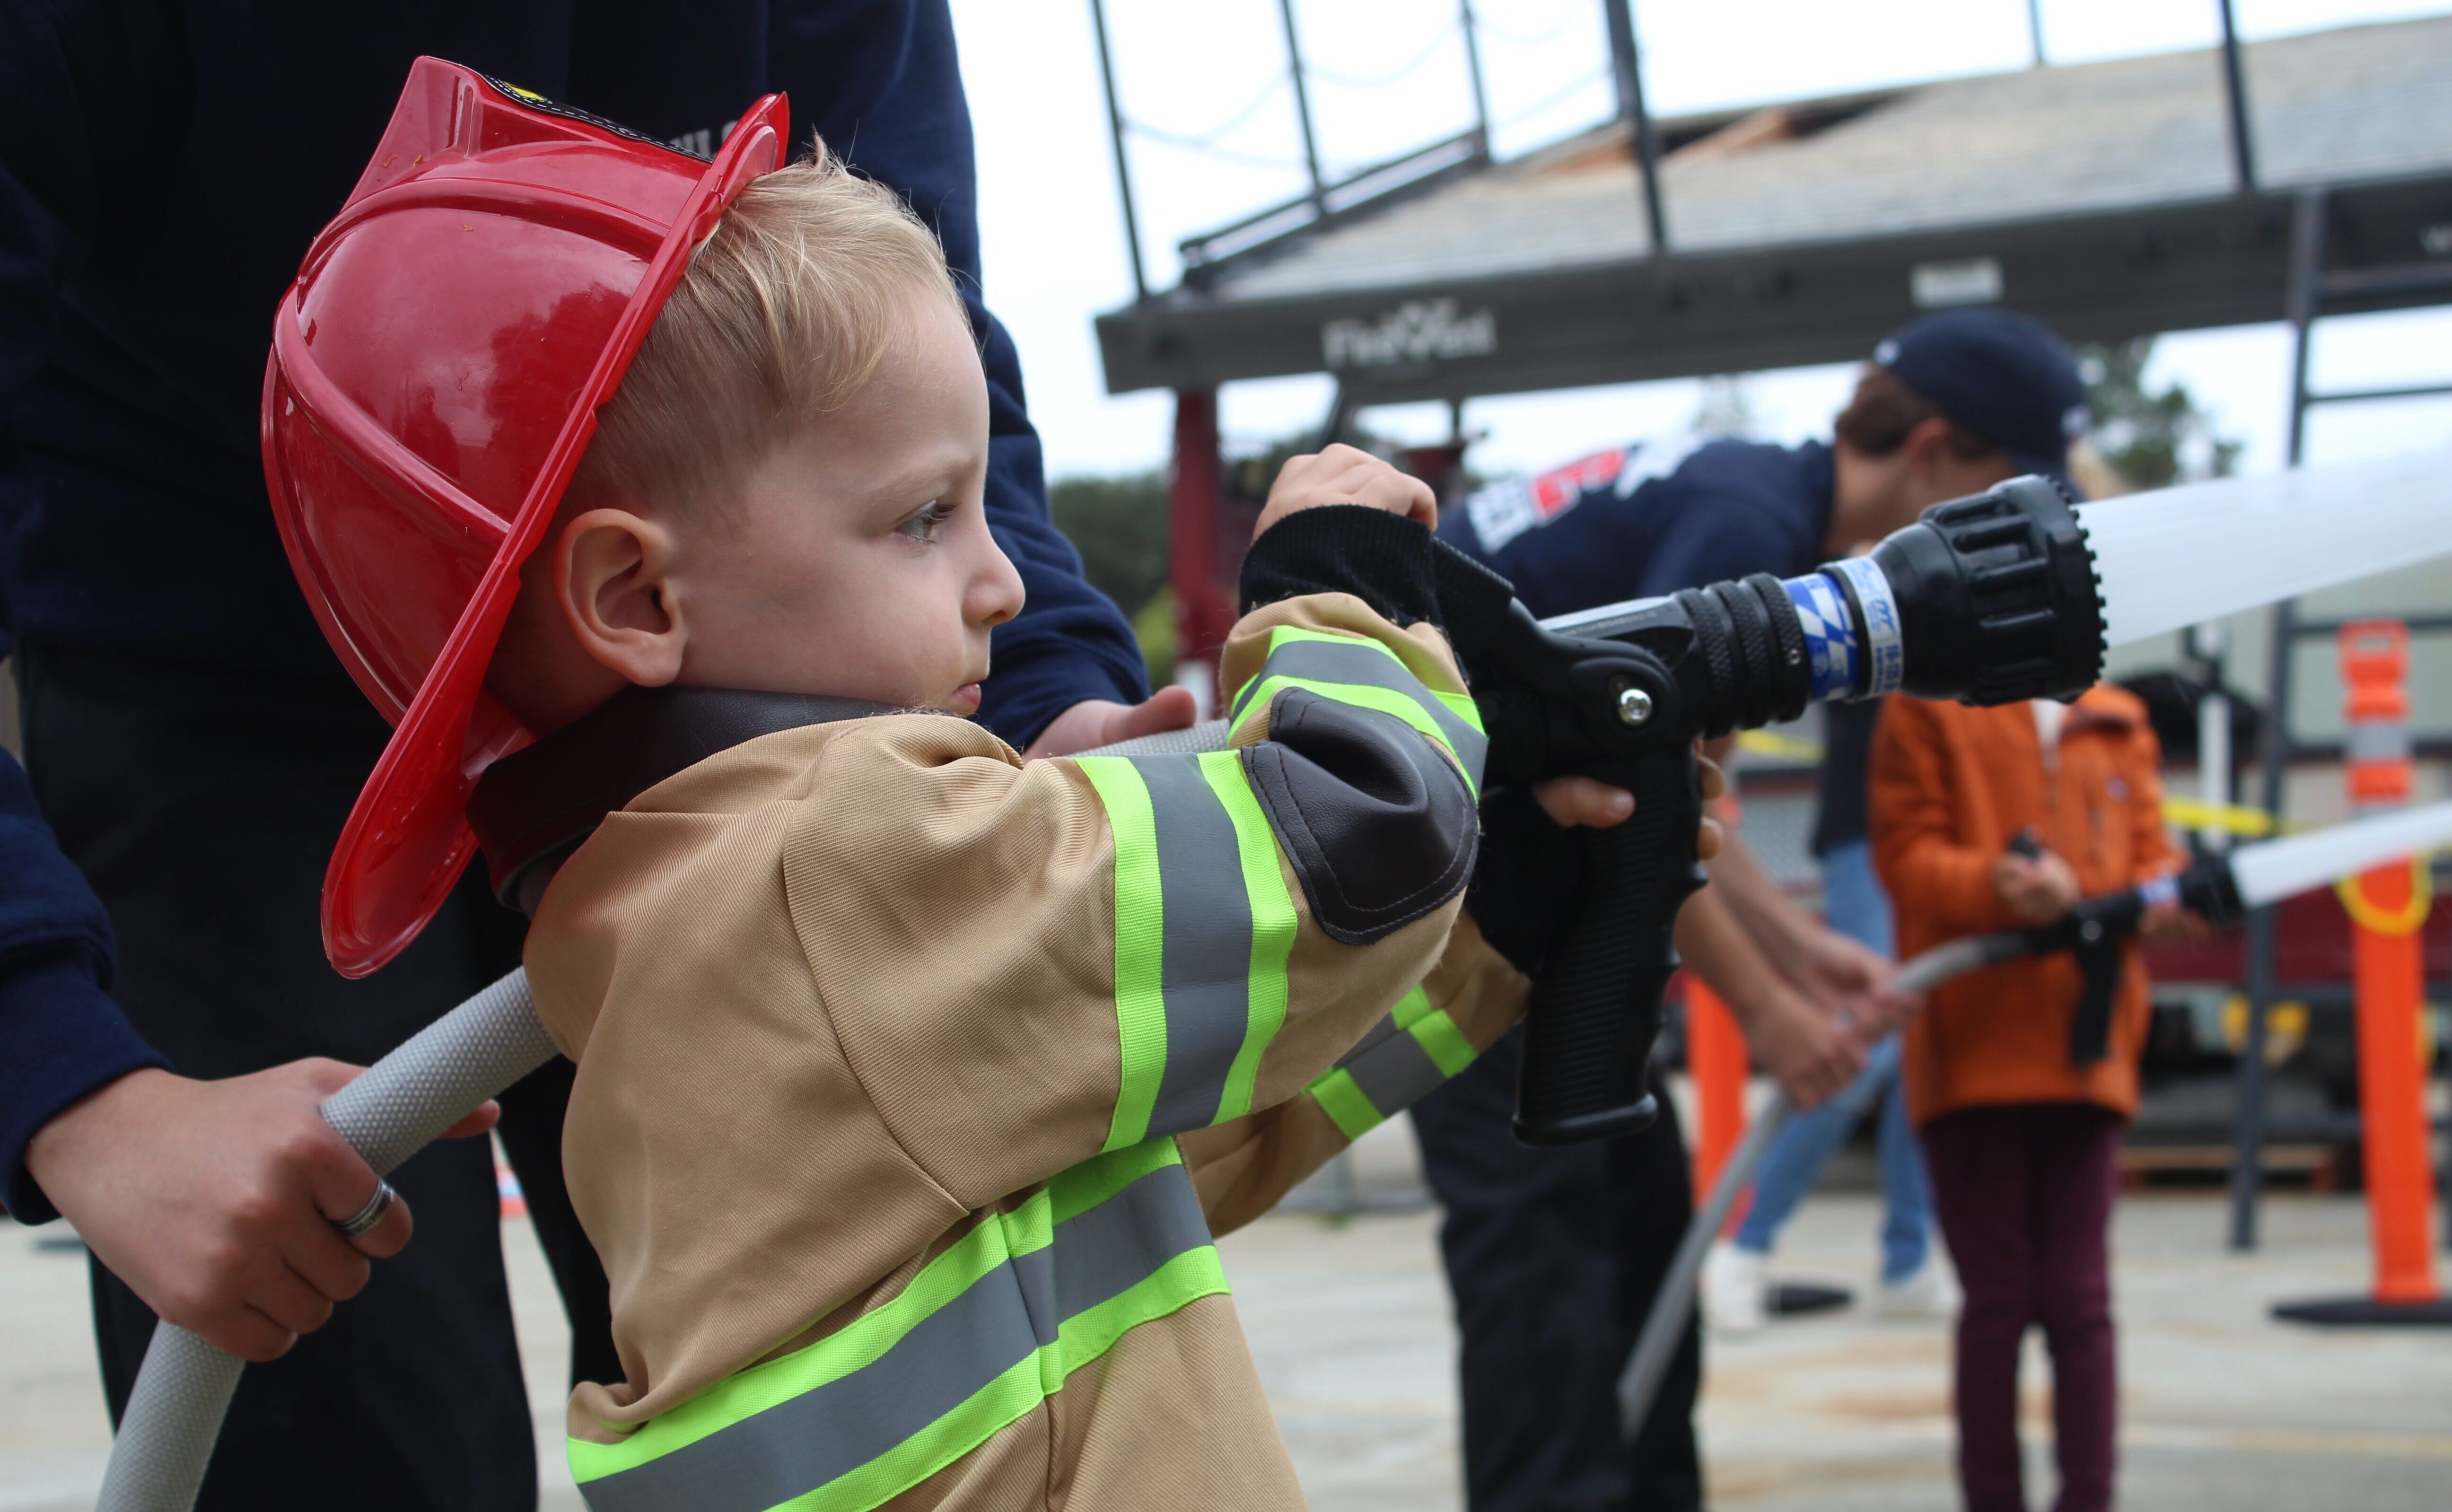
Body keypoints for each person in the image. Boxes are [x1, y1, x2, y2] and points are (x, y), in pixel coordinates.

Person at [269, 72, 1594, 1506]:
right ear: (635, 595)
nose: (1006, 583)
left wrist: (1497, 927)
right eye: (920, 517)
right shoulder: (833, 857)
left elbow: (1137, 1161)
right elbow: (1356, 843)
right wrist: (1334, 585)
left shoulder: (675, 942)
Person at [0, 9, 1179, 1509]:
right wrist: (78, 1088)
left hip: (715, 676)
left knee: (851, 1345)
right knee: (329, 1365)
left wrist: (1050, 702)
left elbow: (902, 364)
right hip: (220, 673)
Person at [1417, 306, 2083, 1511]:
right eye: (1997, 498)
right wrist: (1770, 1011)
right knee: (1548, 1299)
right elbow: (1636, 799)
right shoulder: (1750, 532)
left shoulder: (1757, 507)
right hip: (1471, 919)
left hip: (1541, 908)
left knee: (1644, 1261)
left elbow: (1684, 809)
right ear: (1931, 452)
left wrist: (1807, 952)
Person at [1872, 682, 2185, 1512]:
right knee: (2002, 1298)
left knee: (2079, 1299)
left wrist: (2165, 894)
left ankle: (2090, 1498)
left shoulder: (2120, 720)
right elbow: (1906, 855)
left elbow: (2155, 858)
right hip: (1973, 1046)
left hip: (2089, 1049)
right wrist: (2000, 884)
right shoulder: (1933, 705)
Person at [1704, 698, 1955, 1332]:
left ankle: (1913, 1256)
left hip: (1952, 831)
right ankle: (1744, 1243)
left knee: (1925, 1038)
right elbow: (1681, 820)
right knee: (1863, 1050)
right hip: (1872, 825)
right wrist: (1767, 997)